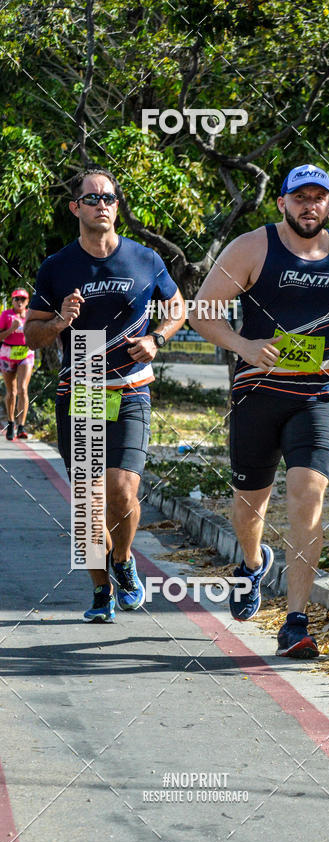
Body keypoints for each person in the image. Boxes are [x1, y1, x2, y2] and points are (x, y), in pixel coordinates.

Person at [189, 164, 329, 658]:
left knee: (307, 495)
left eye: (318, 198)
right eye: (300, 197)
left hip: (318, 393)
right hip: (257, 392)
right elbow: (202, 312)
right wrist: (243, 346)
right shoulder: (252, 247)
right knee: (249, 505)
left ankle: (296, 621)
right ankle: (252, 565)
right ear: (282, 202)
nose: (308, 206)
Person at [25, 166, 185, 622]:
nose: (102, 205)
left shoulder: (145, 258)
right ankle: (100, 592)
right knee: (88, 503)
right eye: (92, 198)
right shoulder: (57, 266)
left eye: (109, 198)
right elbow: (31, 334)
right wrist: (59, 322)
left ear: (118, 206)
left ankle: (123, 561)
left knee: (121, 490)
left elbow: (177, 307)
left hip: (131, 385)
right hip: (83, 385)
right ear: (76, 207)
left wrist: (157, 338)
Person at [0, 288, 35, 440]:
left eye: (23, 299)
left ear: (27, 302)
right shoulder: (6, 315)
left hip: (25, 353)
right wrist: (12, 329)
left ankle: (21, 426)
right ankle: (10, 422)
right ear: (12, 300)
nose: (19, 302)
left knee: (22, 389)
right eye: (16, 299)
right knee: (12, 392)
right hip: (8, 353)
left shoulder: (30, 315)